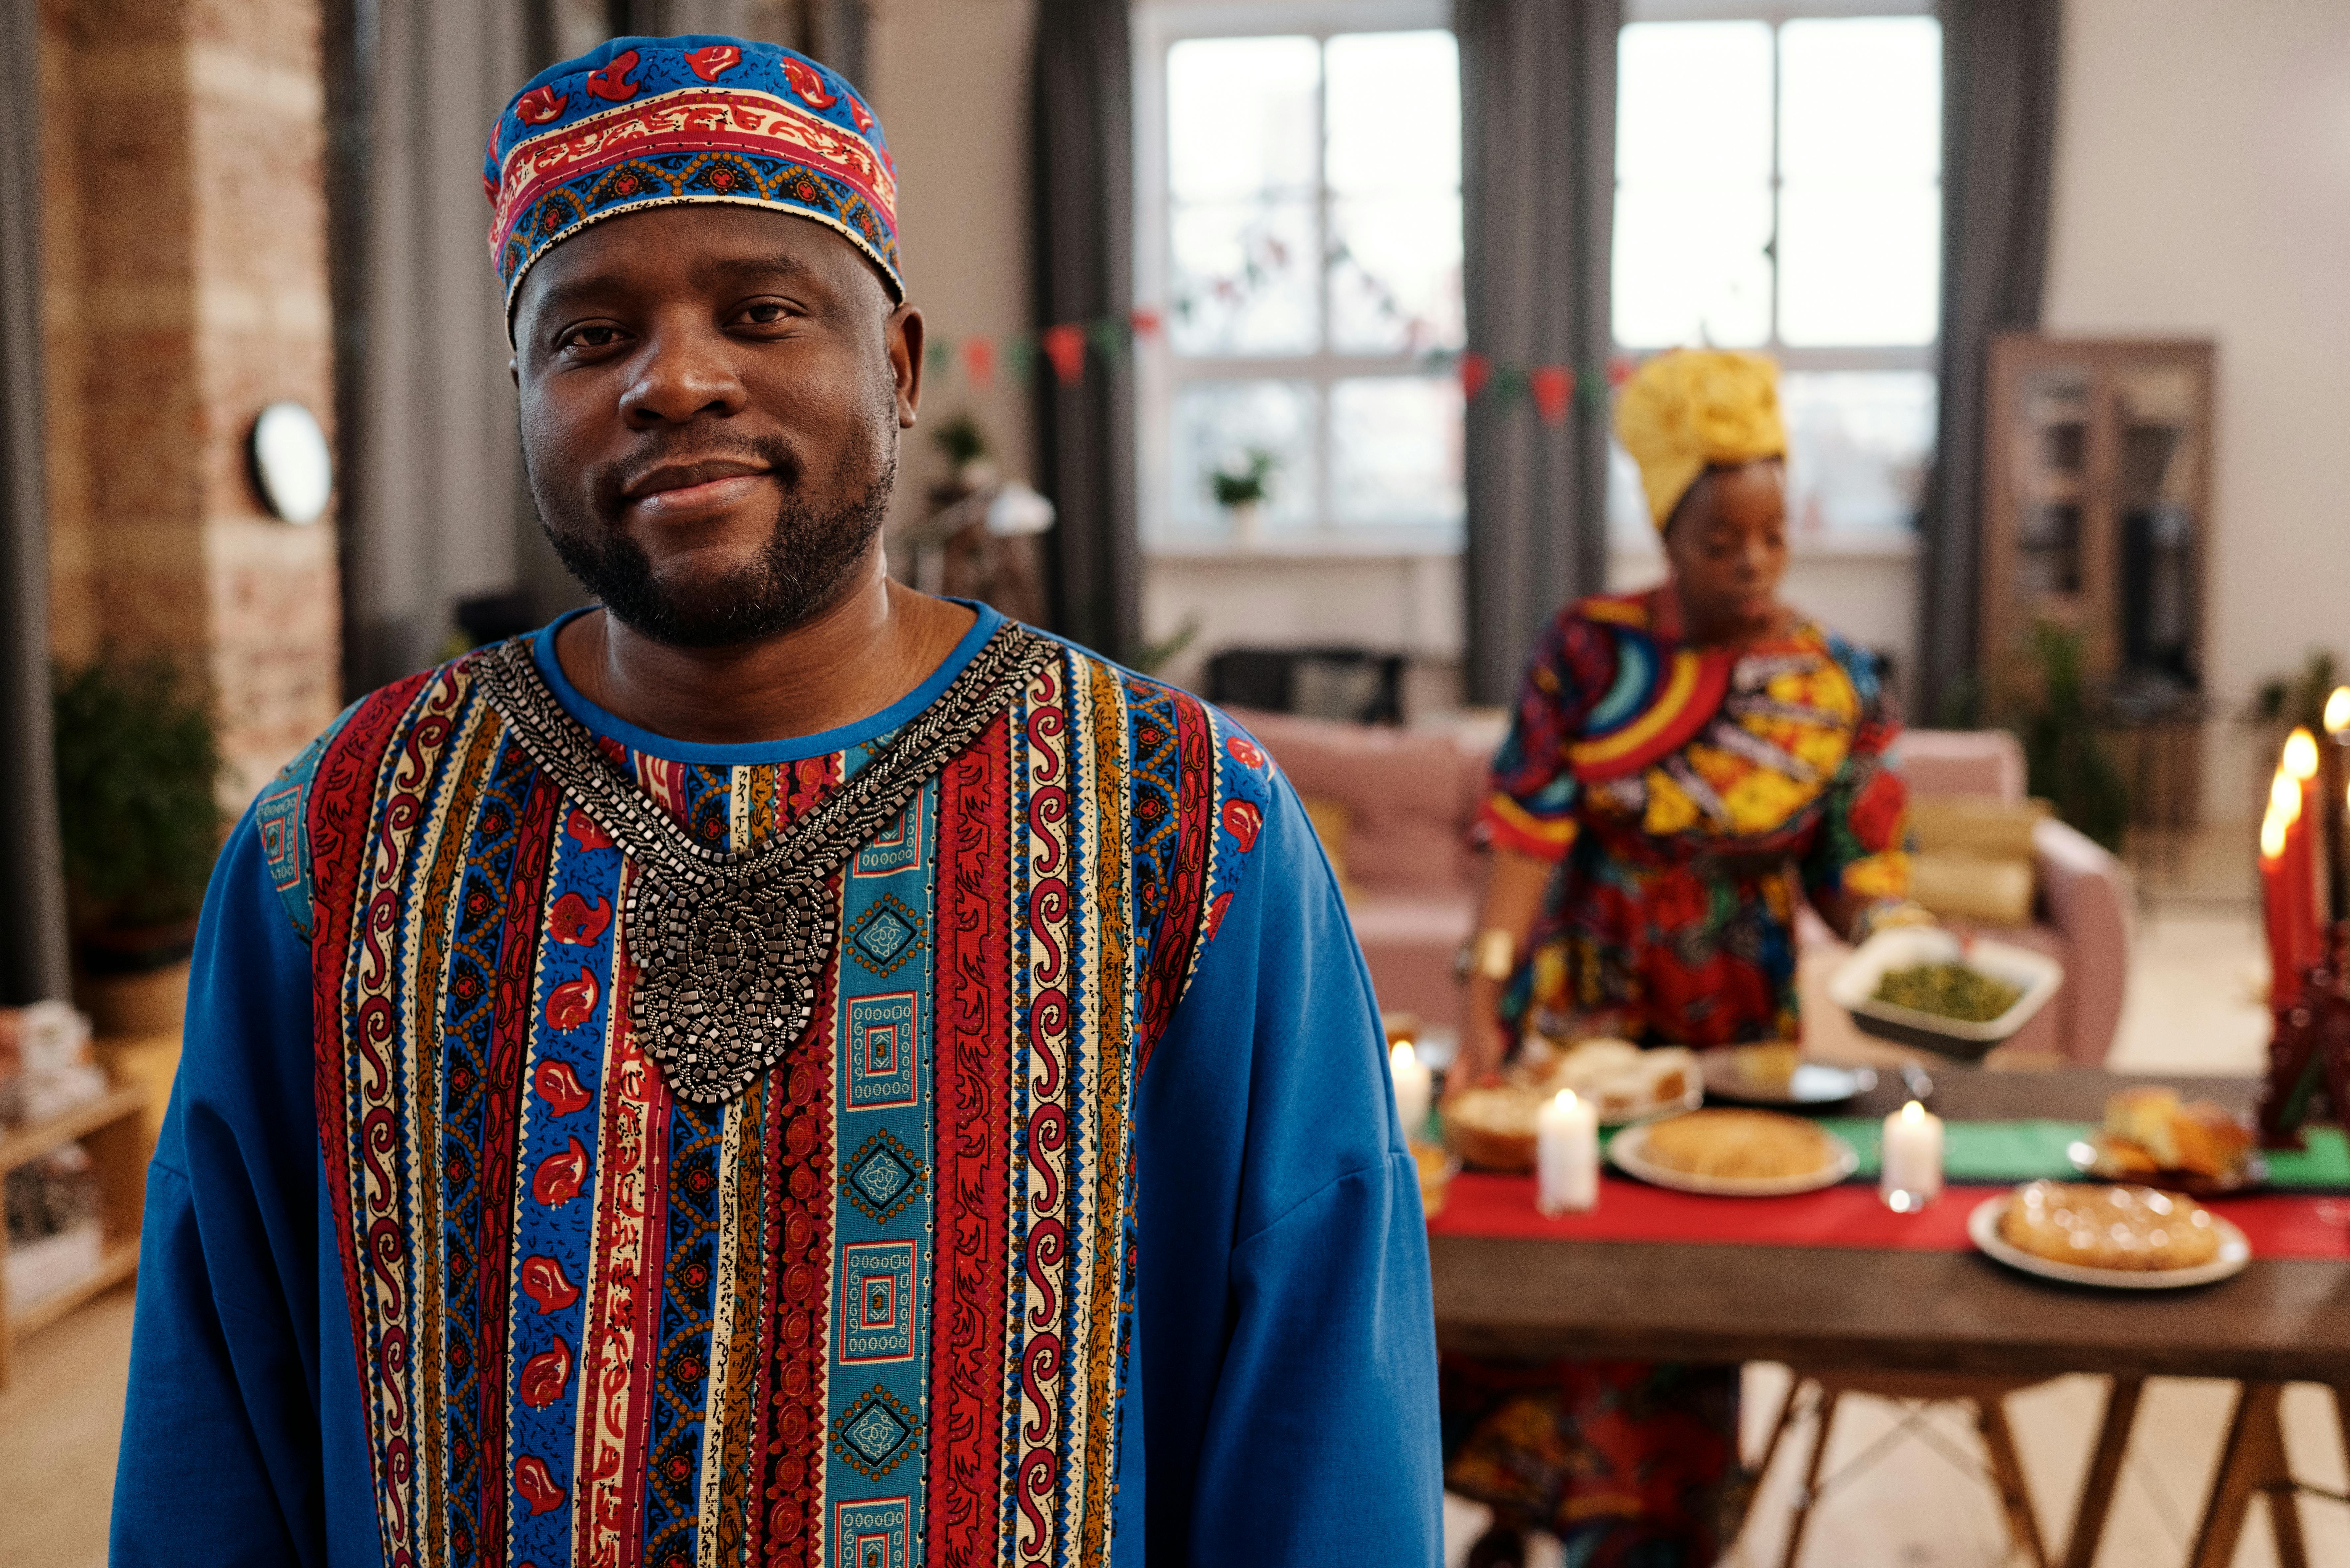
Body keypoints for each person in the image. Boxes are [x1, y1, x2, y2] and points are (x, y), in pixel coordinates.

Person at [110, 37, 1441, 1568]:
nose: (672, 380)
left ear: (896, 362)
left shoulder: (1177, 822)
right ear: (526, 399)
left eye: (760, 313)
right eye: (588, 337)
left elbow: (1316, 1414)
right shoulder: (347, 835)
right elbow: (216, 1421)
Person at [1442, 350, 1922, 1566]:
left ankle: (1632, 1542)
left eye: (1770, 533)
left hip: (1740, 1045)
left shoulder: (1831, 680)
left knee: (1686, 1296)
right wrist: (1486, 999)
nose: (1753, 561)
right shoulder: (1587, 653)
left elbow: (1853, 865)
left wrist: (1903, 947)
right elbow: (1524, 832)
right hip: (1584, 1020)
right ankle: (1521, 1507)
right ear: (1668, 531)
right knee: (1550, 1268)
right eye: (1721, 539)